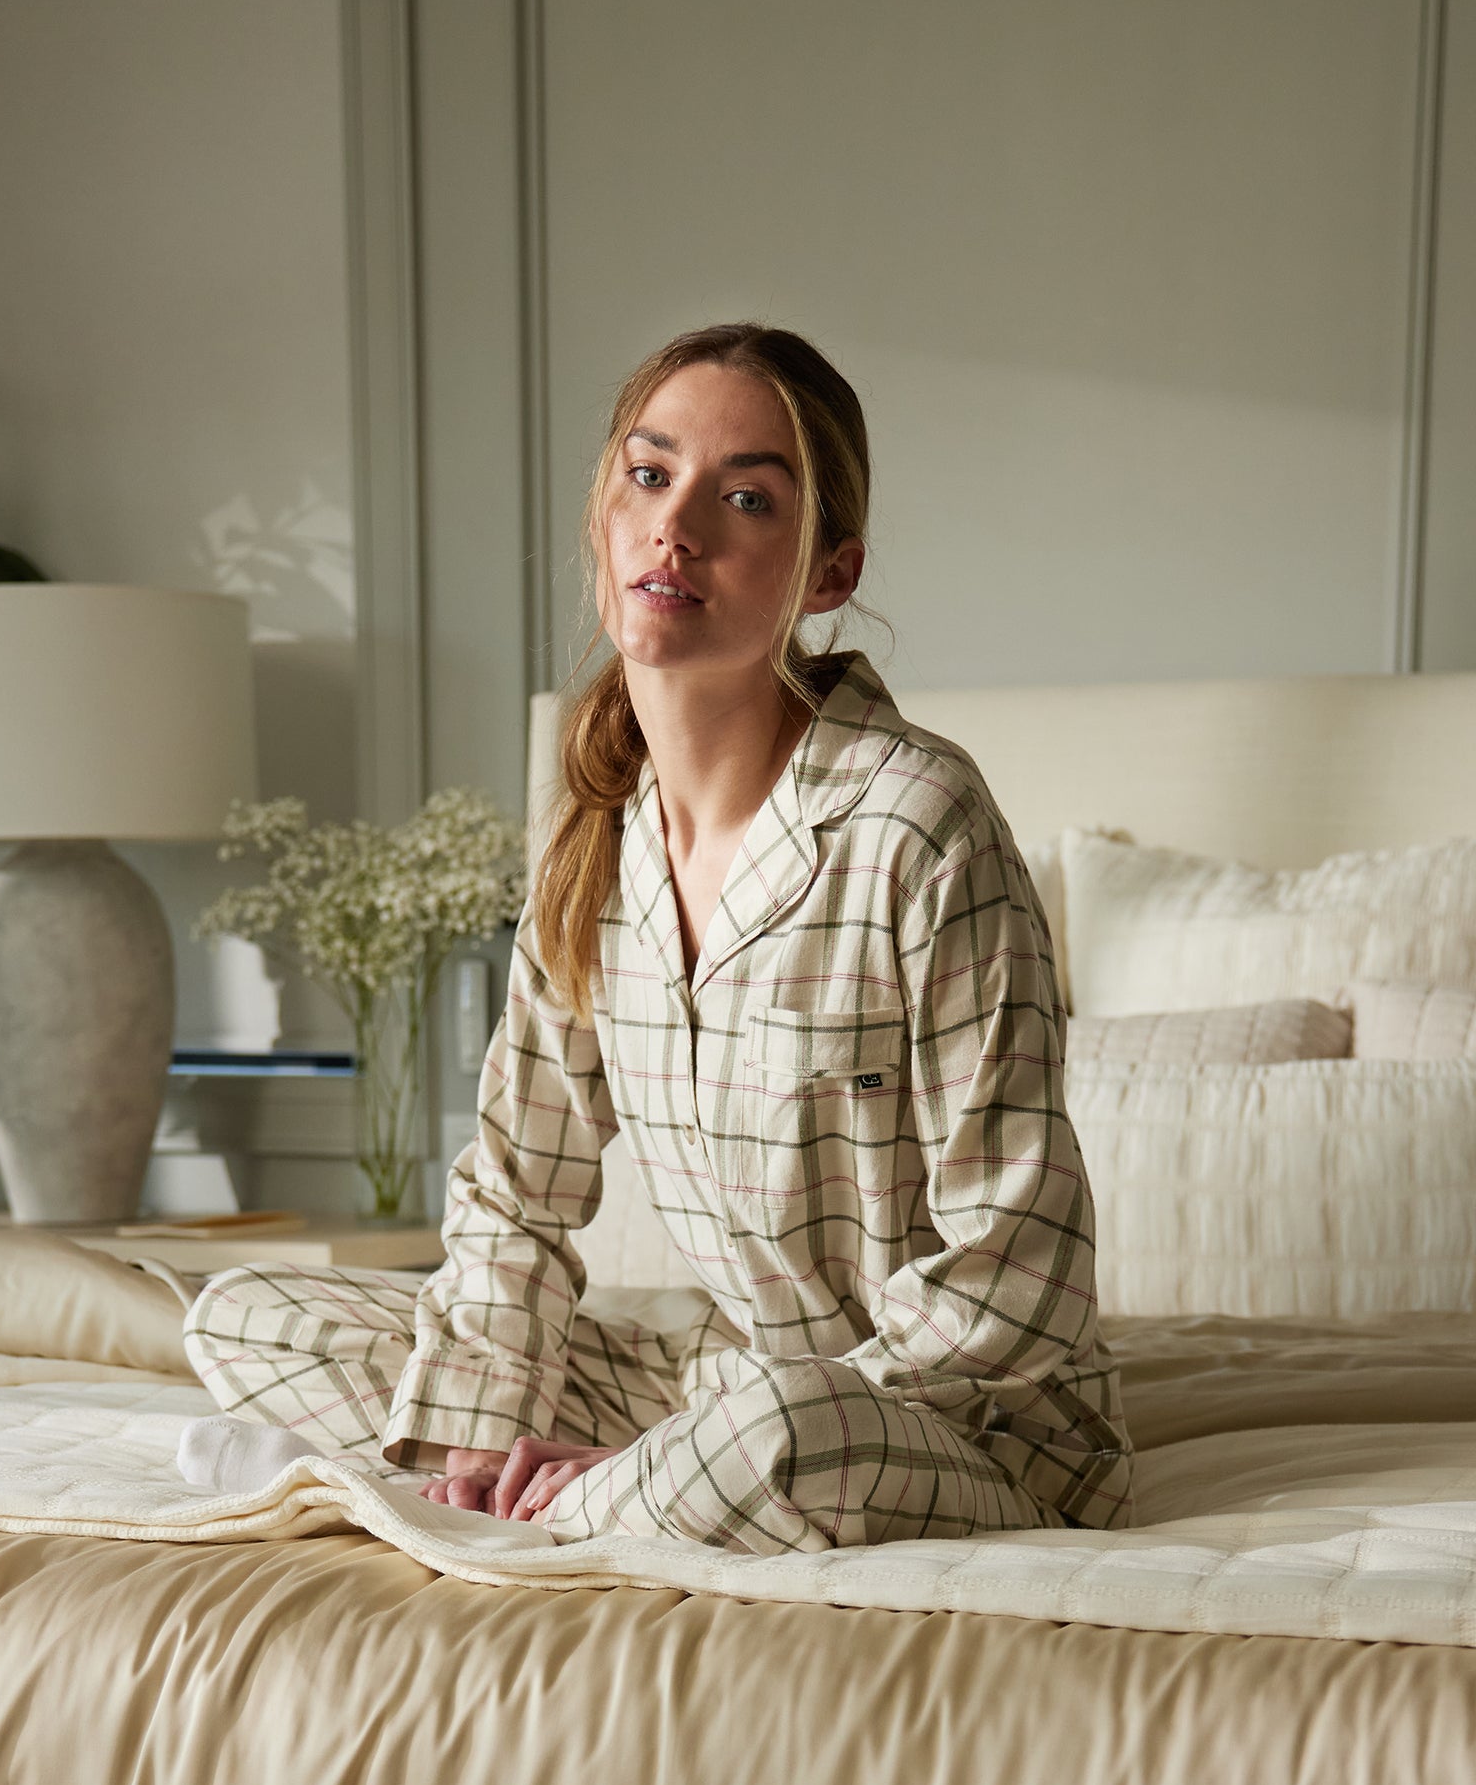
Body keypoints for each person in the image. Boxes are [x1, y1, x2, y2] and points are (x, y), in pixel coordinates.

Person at [180, 321, 1133, 1554]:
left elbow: (1019, 1275)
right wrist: (484, 1421)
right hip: (729, 1378)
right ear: (603, 518)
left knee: (782, 1432)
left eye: (745, 499)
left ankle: (482, 1507)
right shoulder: (598, 838)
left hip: (959, 1426)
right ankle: (498, 1487)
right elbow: (516, 1196)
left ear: (827, 574)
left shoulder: (915, 824)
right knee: (245, 1317)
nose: (676, 527)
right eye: (649, 475)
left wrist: (697, 1435)